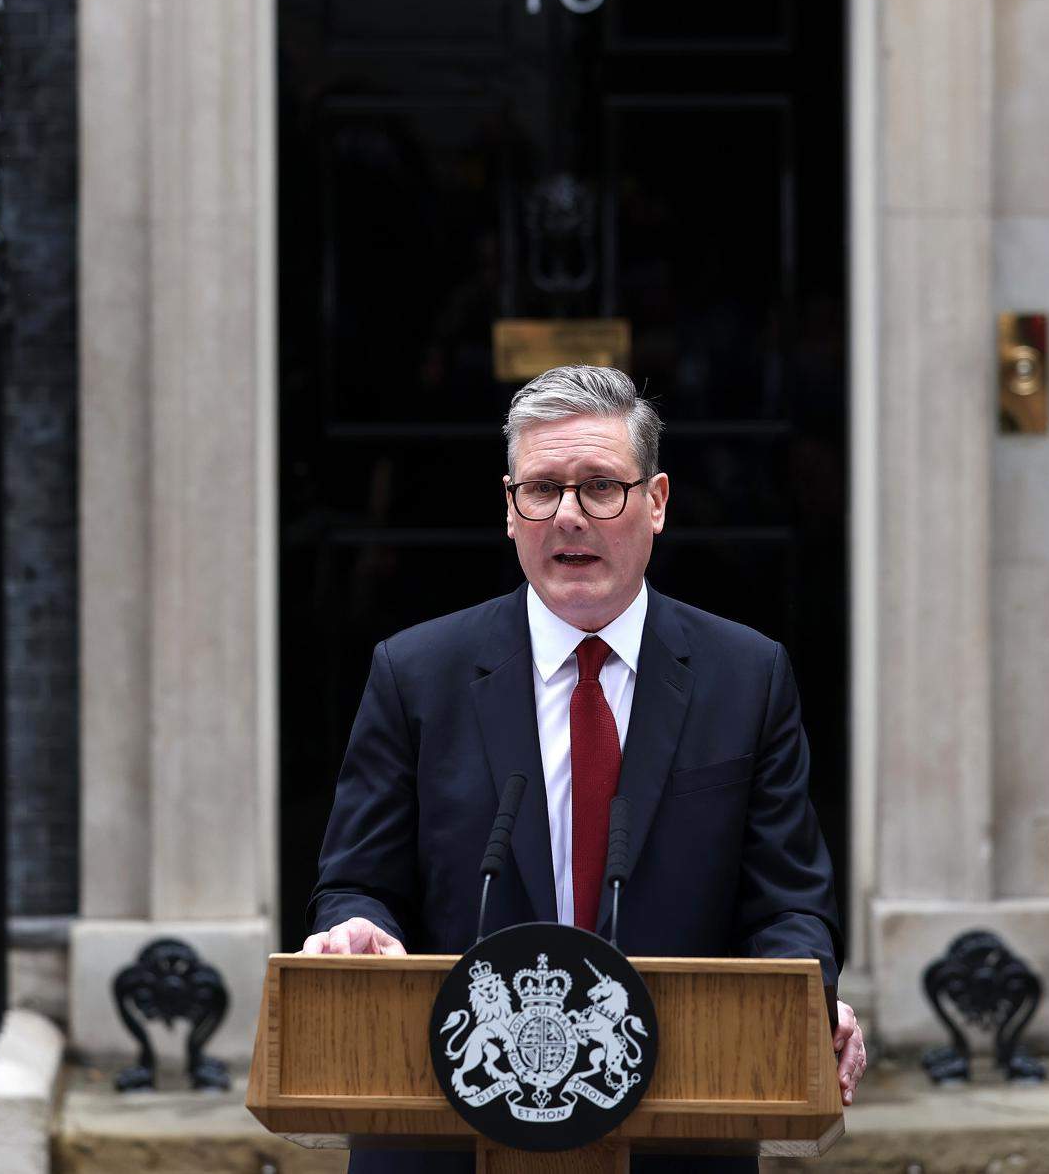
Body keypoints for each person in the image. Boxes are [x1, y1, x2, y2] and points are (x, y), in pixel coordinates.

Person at [306, 365, 867, 1172]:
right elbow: (357, 882)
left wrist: (797, 998)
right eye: (541, 489)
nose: (569, 515)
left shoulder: (748, 677)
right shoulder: (415, 673)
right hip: (446, 1129)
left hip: (679, 1125)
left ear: (659, 501)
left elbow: (788, 903)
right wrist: (360, 929)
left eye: (602, 486)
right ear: (509, 508)